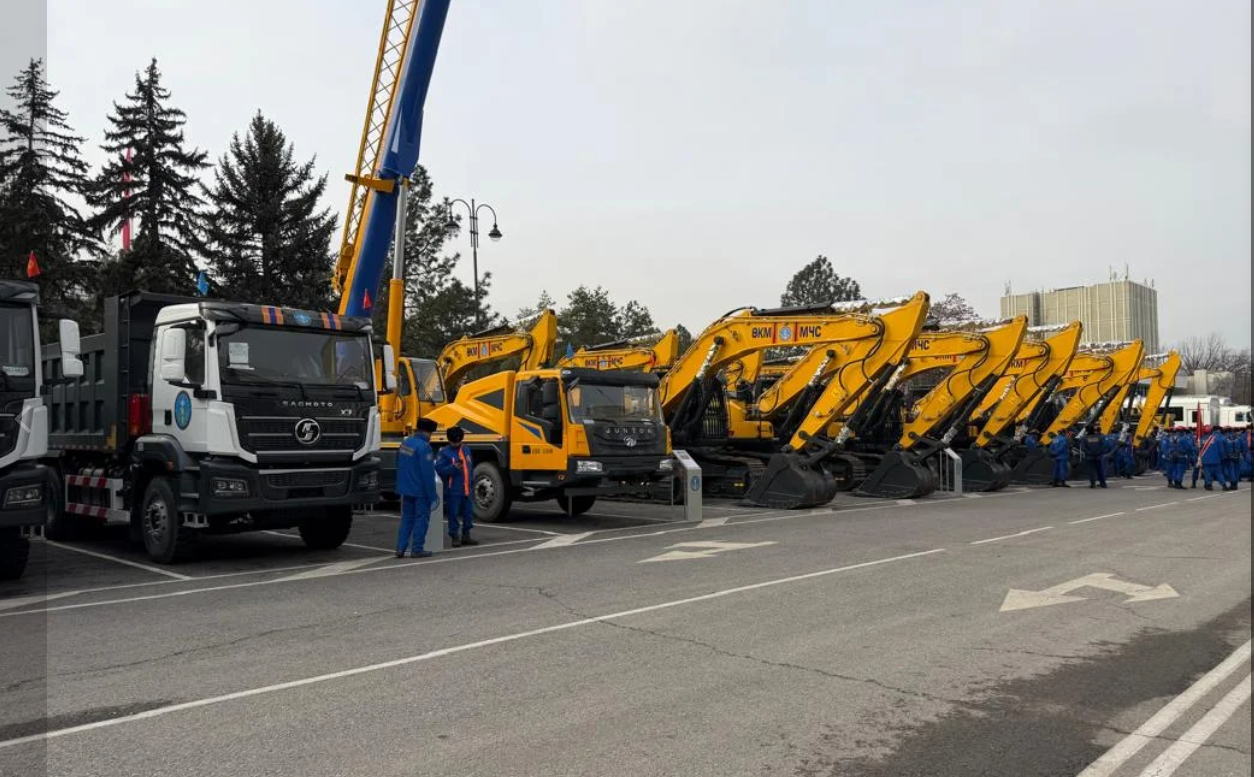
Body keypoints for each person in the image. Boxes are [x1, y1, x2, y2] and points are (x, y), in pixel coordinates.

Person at [395, 418, 439, 558]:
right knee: (421, 519)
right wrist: (433, 495)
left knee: (407, 519)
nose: (430, 437)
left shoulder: (405, 443)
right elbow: (428, 474)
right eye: (430, 433)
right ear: (426, 432)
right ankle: (417, 549)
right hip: (420, 490)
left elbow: (399, 464)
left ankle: (400, 548)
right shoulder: (424, 447)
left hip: (406, 488)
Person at [435, 425, 479, 547]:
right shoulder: (444, 452)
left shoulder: (466, 449)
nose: (457, 444)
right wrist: (453, 468)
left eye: (459, 441)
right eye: (454, 442)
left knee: (468, 513)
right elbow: (439, 470)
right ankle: (454, 536)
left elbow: (469, 467)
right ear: (449, 440)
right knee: (453, 514)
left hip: (466, 488)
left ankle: (466, 535)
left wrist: (471, 482)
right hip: (453, 489)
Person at [1197, 425, 1225, 491]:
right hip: (1216, 459)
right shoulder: (1216, 439)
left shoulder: (1200, 439)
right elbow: (1221, 450)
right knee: (1219, 473)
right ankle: (1224, 485)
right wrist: (1222, 457)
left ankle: (1209, 485)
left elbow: (1198, 449)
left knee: (1207, 473)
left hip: (1205, 460)